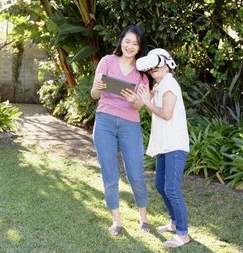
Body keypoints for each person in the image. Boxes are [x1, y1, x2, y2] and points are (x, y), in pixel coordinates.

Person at [90, 25, 151, 236]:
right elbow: (94, 94)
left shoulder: (142, 75)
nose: (130, 46)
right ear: (121, 40)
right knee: (110, 174)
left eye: (135, 44)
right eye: (128, 41)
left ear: (140, 47)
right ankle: (117, 221)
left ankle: (143, 218)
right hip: (105, 120)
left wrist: (136, 101)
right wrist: (99, 86)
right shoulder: (107, 61)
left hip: (130, 124)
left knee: (136, 174)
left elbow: (139, 107)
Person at [131, 48, 191, 248]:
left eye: (157, 67)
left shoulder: (170, 84)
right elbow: (155, 114)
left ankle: (183, 233)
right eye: (152, 69)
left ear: (168, 64)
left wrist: (148, 101)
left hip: (174, 144)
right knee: (160, 185)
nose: (154, 71)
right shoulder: (160, 85)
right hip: (164, 145)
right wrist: (147, 100)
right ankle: (174, 223)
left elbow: (166, 114)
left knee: (172, 189)